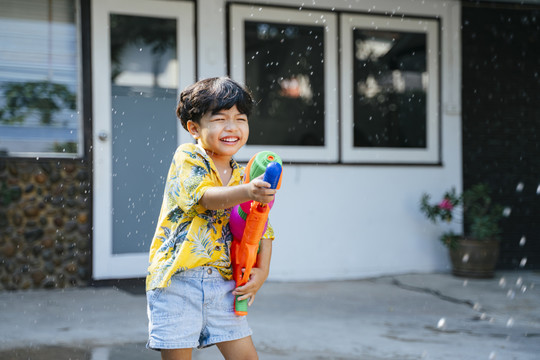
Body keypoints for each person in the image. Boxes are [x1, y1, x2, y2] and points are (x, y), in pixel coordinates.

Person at [146, 77, 277, 360]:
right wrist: (248, 191)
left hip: (225, 284)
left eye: (240, 119)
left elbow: (261, 226)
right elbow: (206, 197)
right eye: (219, 119)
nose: (232, 128)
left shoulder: (245, 175)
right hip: (177, 282)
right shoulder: (189, 157)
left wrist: (262, 270)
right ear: (194, 128)